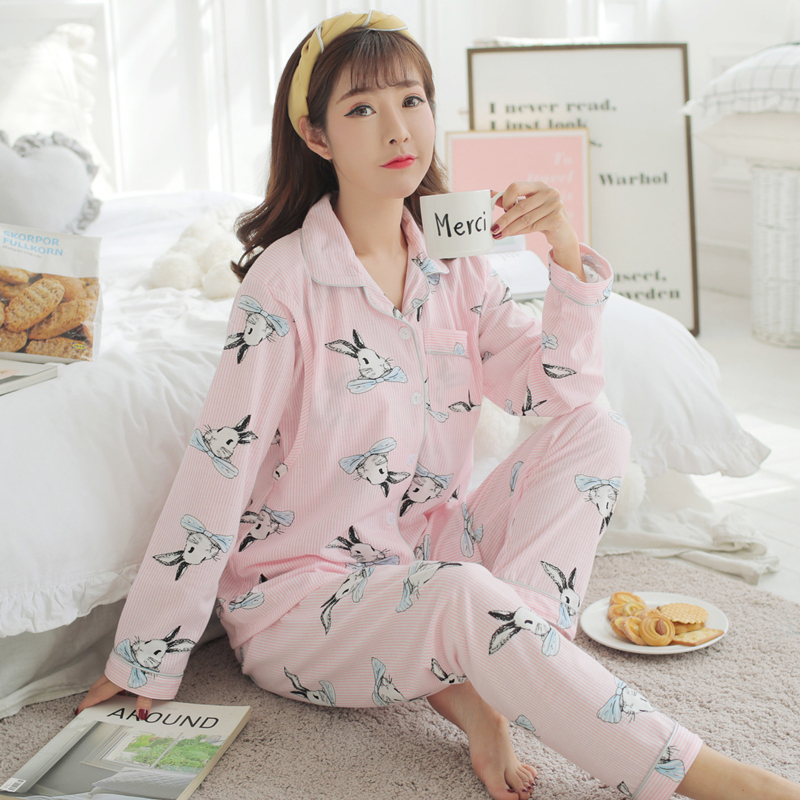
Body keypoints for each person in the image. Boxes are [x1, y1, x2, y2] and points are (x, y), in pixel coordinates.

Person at [76, 11, 800, 800]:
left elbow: (556, 392)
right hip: (301, 603)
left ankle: (499, 676)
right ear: (317, 136)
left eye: (412, 99)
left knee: (597, 430)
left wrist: (562, 252)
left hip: (427, 556)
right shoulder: (282, 285)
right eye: (362, 108)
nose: (398, 128)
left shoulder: (453, 265)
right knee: (462, 595)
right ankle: (710, 777)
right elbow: (217, 470)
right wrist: (144, 657)